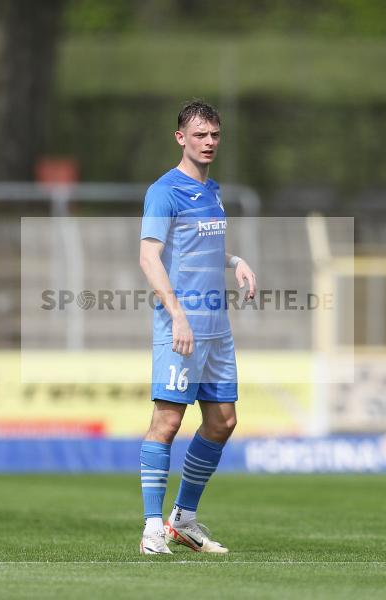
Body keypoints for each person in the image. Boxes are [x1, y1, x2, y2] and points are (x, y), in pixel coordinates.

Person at [137, 100, 257, 555]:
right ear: (180, 138)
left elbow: (199, 249)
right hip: (181, 326)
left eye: (215, 135)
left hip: (216, 328)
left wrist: (235, 260)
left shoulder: (213, 190)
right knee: (167, 421)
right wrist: (178, 315)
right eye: (200, 135)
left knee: (223, 421)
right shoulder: (164, 191)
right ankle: (152, 528)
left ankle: (183, 520)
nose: (209, 143)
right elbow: (149, 257)